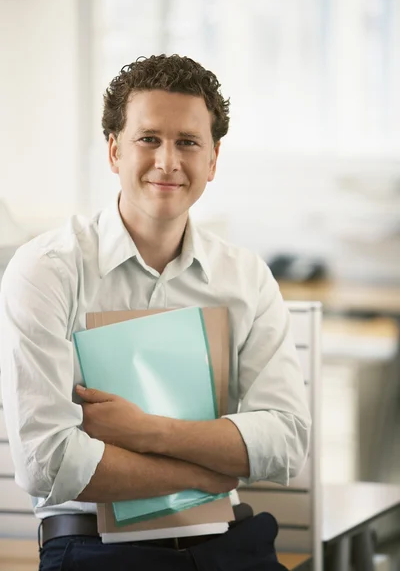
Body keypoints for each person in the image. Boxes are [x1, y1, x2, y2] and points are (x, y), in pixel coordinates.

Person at [0, 54, 311, 570]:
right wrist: (207, 474)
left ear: (212, 161)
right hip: (92, 548)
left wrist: (148, 432)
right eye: (149, 139)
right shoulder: (47, 269)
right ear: (114, 150)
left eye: (188, 142)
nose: (168, 161)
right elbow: (48, 464)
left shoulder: (245, 277)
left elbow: (284, 441)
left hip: (228, 544)